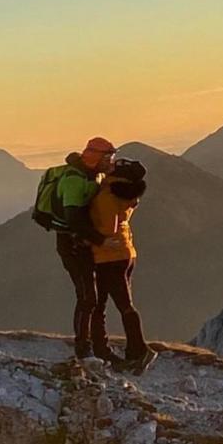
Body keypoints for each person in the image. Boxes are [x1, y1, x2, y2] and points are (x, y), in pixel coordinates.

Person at [51, 137, 123, 360]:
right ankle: (83, 349)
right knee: (87, 298)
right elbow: (74, 219)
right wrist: (101, 240)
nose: (110, 161)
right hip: (73, 246)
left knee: (93, 298)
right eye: (107, 156)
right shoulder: (74, 180)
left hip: (82, 244)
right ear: (96, 157)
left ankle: (98, 348)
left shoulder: (90, 176)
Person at [88, 157, 157, 374]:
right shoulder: (124, 194)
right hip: (125, 253)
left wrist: (85, 238)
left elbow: (106, 229)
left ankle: (137, 351)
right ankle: (133, 351)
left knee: (107, 305)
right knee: (123, 304)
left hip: (108, 257)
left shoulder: (108, 196)